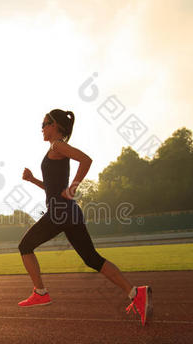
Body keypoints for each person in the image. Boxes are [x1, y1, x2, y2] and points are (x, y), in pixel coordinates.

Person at [18, 108, 152, 325]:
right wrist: (34, 180)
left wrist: (73, 188)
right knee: (92, 259)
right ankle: (135, 293)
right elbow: (53, 188)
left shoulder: (57, 145)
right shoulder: (55, 148)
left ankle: (40, 292)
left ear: (55, 126)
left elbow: (86, 160)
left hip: (60, 212)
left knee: (25, 246)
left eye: (44, 124)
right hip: (69, 212)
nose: (41, 128)